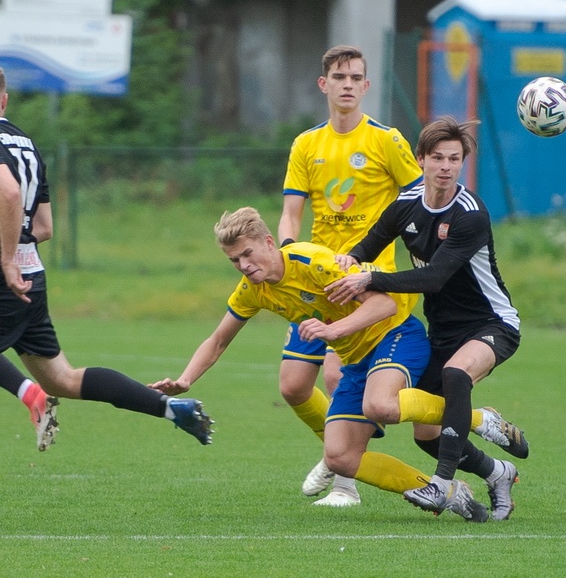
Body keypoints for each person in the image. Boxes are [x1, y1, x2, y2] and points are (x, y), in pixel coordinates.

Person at [149, 207, 522, 522]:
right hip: (356, 358)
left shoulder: (314, 262)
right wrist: (185, 380)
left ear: (268, 242)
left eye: (248, 254)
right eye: (234, 261)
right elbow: (217, 341)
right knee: (341, 457)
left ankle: (476, 418)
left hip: (394, 337)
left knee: (380, 406)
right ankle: (451, 492)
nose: (244, 266)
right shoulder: (253, 290)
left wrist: (332, 329)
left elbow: (385, 305)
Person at [327, 116, 527, 520]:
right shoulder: (406, 203)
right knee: (426, 433)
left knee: (456, 375)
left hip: (492, 325)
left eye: (454, 159)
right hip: (443, 332)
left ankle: (441, 484)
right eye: (437, 158)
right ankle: (497, 471)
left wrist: (370, 278)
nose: (446, 167)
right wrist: (342, 264)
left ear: (462, 163)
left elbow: (434, 278)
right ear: (421, 159)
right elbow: (367, 245)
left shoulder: (471, 214)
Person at [0, 67, 213, 447]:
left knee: (46, 385)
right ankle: (169, 408)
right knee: (63, 378)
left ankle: (29, 394)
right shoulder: (26, 143)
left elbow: (10, 195)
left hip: (8, 270)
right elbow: (45, 226)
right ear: (5, 99)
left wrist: (5, 258)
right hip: (33, 270)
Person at [276, 45, 424, 507]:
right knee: (293, 384)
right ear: (324, 84)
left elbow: (420, 199)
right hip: (317, 281)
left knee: (339, 375)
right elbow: (289, 214)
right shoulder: (307, 144)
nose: (347, 84)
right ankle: (335, 451)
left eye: (355, 77)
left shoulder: (387, 140)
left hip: (370, 282)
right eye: (338, 76)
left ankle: (344, 482)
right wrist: (286, 257)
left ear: (366, 86)